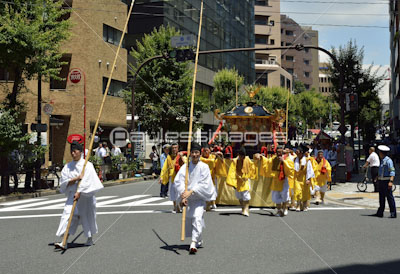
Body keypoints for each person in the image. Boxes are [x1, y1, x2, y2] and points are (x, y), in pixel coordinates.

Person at [54, 142, 104, 250]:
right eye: (71, 151)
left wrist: (80, 191)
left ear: (80, 152)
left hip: (86, 197)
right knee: (68, 216)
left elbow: (88, 181)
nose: (73, 153)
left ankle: (89, 238)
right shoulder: (68, 166)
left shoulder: (87, 165)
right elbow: (64, 182)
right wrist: (76, 179)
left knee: (87, 217)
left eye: (75, 151)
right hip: (72, 195)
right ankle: (64, 241)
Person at [173, 142, 216, 254]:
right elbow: (179, 181)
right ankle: (198, 238)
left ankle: (193, 243)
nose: (195, 154)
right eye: (193, 152)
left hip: (199, 198)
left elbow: (204, 183)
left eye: (197, 152)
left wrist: (191, 191)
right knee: (191, 219)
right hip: (188, 199)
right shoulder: (185, 167)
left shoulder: (204, 167)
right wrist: (183, 195)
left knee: (197, 217)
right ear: (190, 154)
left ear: (200, 153)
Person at [255, 147, 293, 217]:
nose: (279, 153)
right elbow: (267, 162)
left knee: (285, 196)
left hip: (284, 180)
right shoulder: (273, 158)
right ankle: (279, 210)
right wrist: (261, 157)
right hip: (275, 180)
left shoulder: (287, 159)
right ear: (276, 152)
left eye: (281, 152)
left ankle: (285, 208)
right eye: (278, 152)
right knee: (276, 196)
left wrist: (283, 161)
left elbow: (290, 169)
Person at [226, 147, 256, 217]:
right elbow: (232, 171)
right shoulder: (235, 161)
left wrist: (248, 175)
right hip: (238, 181)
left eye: (243, 156)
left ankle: (246, 209)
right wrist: (232, 182)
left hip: (245, 180)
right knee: (239, 196)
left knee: (246, 195)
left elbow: (252, 167)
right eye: (241, 155)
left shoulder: (247, 159)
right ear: (238, 154)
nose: (242, 157)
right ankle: (243, 208)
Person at [372, 145, 396, 218]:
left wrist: (391, 181)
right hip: (381, 181)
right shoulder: (382, 160)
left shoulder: (388, 161)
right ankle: (380, 212)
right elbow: (380, 171)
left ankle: (393, 213)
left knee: (389, 197)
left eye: (379, 152)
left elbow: (392, 171)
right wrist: (377, 177)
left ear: (382, 153)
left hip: (386, 181)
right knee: (381, 197)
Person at [160, 143, 184, 213]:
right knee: (173, 193)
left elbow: (185, 164)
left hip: (180, 178)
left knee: (180, 192)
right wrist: (162, 176)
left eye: (175, 148)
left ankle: (180, 205)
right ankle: (175, 207)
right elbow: (165, 168)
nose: (174, 149)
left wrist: (182, 158)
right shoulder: (169, 157)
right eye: (173, 148)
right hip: (173, 178)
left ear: (178, 148)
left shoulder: (180, 156)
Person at [294, 145, 315, 212]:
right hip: (297, 178)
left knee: (305, 192)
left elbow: (309, 170)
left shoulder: (306, 160)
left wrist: (308, 179)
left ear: (301, 152)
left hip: (304, 177)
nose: (297, 153)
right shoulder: (295, 159)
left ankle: (305, 205)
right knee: (298, 191)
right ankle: (298, 205)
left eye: (298, 152)